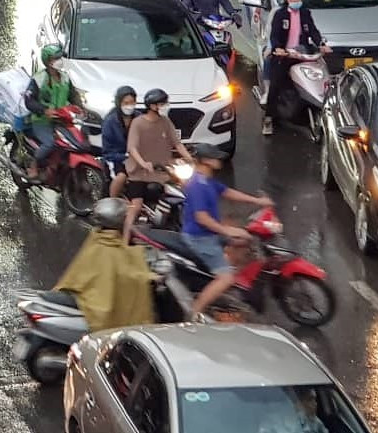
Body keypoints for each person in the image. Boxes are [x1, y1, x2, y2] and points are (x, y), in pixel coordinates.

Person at [182, 144, 274, 318]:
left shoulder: (207, 180)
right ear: (206, 160)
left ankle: (233, 281)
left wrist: (257, 201)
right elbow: (202, 218)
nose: (219, 160)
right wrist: (226, 231)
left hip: (211, 234)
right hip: (200, 238)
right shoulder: (197, 185)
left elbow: (227, 192)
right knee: (226, 278)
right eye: (215, 157)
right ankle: (193, 314)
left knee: (246, 239)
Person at [50, 199, 159, 332]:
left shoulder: (97, 237)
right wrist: (150, 277)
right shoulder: (111, 249)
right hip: (97, 305)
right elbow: (127, 274)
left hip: (84, 289)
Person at [121, 88, 189, 241]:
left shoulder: (165, 122)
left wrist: (190, 159)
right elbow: (132, 148)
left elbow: (177, 144)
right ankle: (125, 239)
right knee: (136, 206)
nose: (166, 106)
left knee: (183, 191)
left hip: (162, 171)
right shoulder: (138, 123)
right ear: (152, 106)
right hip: (139, 173)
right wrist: (143, 163)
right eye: (162, 103)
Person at [260, 0, 328, 135]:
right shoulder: (280, 14)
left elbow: (313, 31)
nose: (296, 0)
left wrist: (321, 45)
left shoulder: (305, 13)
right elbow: (274, 35)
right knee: (275, 85)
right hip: (284, 55)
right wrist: (278, 48)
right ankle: (268, 119)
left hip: (302, 53)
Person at [22, 44, 86, 177]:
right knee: (50, 143)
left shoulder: (65, 77)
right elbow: (29, 100)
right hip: (42, 121)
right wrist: (44, 110)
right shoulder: (39, 79)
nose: (59, 61)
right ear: (48, 62)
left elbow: (73, 95)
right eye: (56, 58)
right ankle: (34, 165)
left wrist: (81, 108)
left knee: (76, 141)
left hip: (62, 119)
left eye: (60, 57)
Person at [100, 87, 137, 197]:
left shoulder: (139, 117)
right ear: (119, 103)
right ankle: (112, 200)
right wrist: (125, 156)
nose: (129, 106)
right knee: (121, 176)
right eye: (126, 103)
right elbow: (107, 151)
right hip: (116, 158)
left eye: (132, 102)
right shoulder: (110, 121)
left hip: (137, 156)